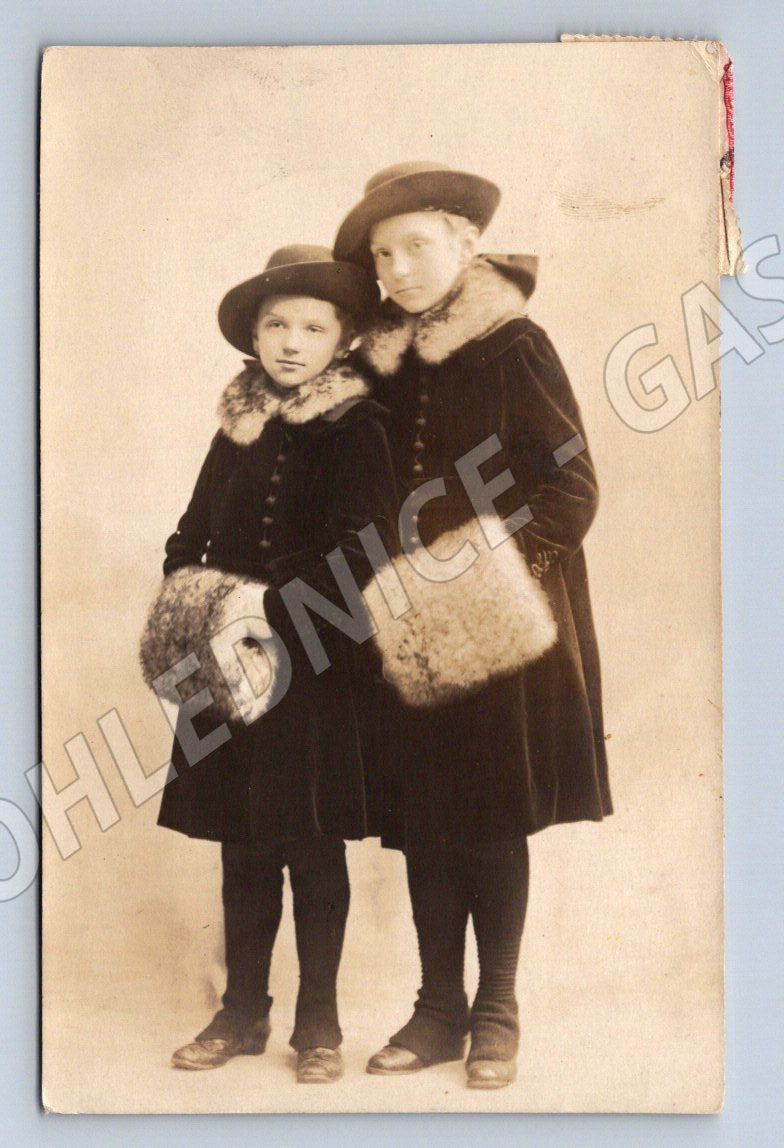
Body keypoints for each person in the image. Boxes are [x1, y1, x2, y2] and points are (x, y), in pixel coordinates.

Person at [334, 163, 612, 1089]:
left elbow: (571, 488)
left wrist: (482, 590)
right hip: (400, 629)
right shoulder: (372, 364)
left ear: (466, 241)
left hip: (502, 629)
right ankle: (436, 1009)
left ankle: (496, 1009)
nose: (398, 268)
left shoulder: (514, 344)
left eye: (417, 245)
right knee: (424, 817)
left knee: (491, 816)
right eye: (383, 255)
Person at [139, 246, 399, 1084]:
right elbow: (190, 534)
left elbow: (368, 549)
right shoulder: (238, 427)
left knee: (312, 846)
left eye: (313, 328)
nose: (291, 342)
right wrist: (195, 599)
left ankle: (318, 1022)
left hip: (314, 666)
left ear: (344, 339)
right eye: (276, 325)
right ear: (253, 336)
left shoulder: (359, 427)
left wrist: (272, 611)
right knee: (244, 844)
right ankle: (242, 1009)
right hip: (227, 662)